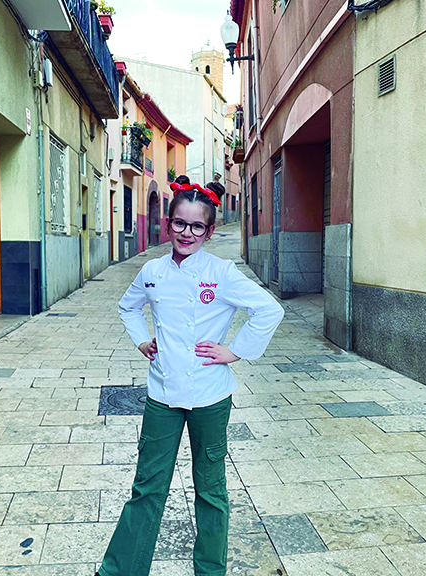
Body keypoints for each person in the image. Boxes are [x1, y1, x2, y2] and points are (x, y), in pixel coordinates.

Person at [96, 175, 284, 576]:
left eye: (197, 226)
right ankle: (119, 571)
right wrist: (142, 341)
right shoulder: (151, 271)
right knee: (147, 488)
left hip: (211, 397)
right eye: (180, 223)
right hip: (162, 394)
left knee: (211, 491)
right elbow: (128, 308)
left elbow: (270, 310)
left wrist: (234, 351)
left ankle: (210, 572)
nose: (187, 232)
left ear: (210, 232)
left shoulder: (223, 272)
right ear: (168, 224)